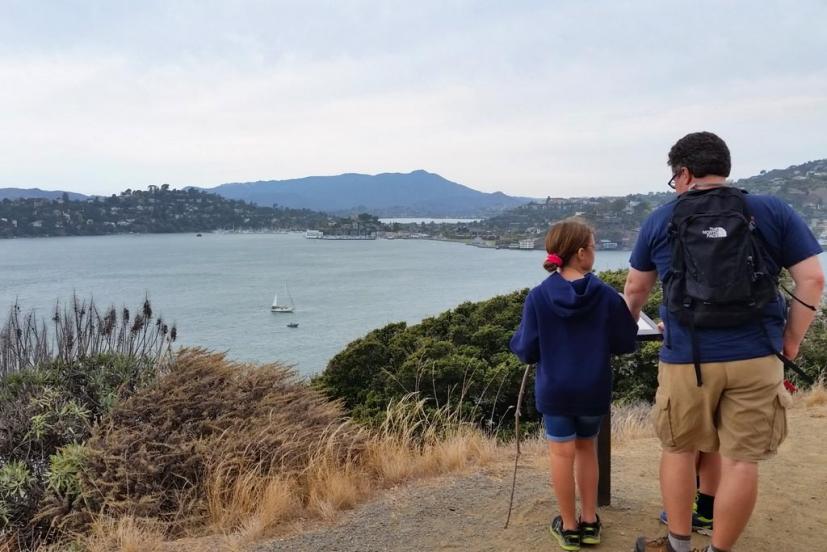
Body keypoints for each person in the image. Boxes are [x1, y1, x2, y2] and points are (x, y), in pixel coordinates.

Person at [625, 131, 824, 552]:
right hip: (756, 354)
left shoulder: (662, 218)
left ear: (683, 173)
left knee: (679, 450)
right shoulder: (770, 210)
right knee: (741, 460)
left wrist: (625, 328)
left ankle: (678, 546)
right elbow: (813, 280)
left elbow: (635, 291)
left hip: (686, 358)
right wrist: (789, 342)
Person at [510, 218, 638, 551]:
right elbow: (625, 341)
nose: (594, 252)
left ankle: (568, 528)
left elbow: (526, 350)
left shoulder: (538, 296)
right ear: (581, 253)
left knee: (560, 454)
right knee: (586, 450)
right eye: (593, 247)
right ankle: (591, 522)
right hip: (593, 388)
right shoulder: (606, 295)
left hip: (555, 390)